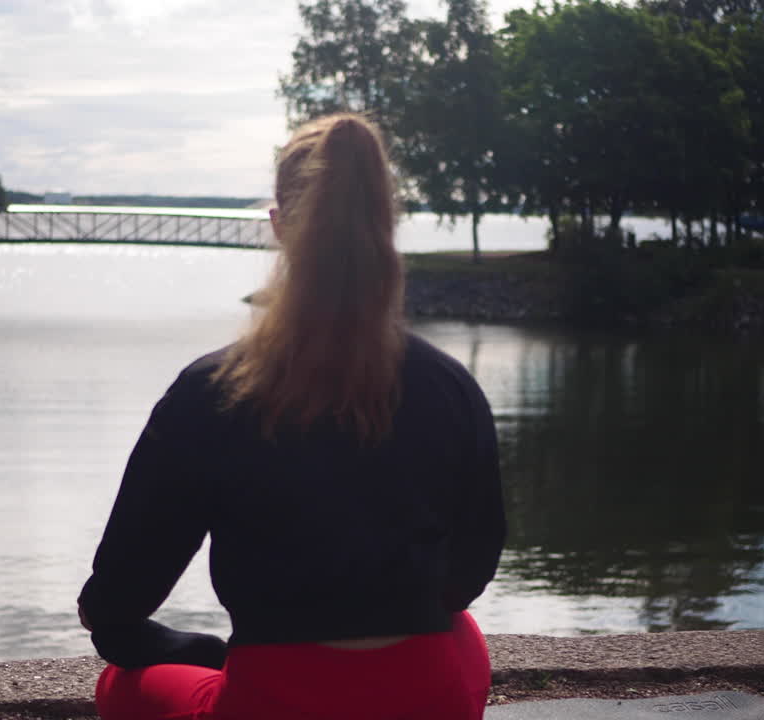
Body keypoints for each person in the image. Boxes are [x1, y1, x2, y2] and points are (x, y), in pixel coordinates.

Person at [77, 112, 506, 720]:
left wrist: (165, 640)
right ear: (387, 224)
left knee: (120, 688)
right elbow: (471, 569)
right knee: (458, 631)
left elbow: (120, 600)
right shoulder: (451, 385)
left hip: (276, 702)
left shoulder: (213, 392)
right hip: (429, 695)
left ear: (278, 227)